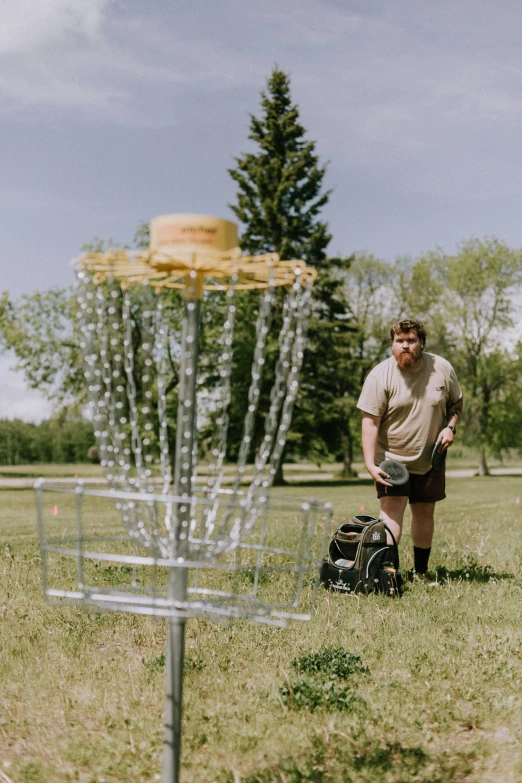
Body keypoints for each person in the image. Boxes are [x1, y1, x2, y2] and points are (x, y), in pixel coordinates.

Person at [357, 319, 463, 584]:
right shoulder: (380, 376)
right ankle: (389, 573)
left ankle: (421, 572)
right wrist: (371, 464)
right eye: (399, 341)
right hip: (390, 459)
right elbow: (370, 423)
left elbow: (457, 401)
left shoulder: (442, 368)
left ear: (421, 343)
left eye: (411, 341)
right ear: (392, 345)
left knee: (425, 511)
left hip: (430, 458)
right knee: (392, 512)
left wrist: (450, 427)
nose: (405, 346)